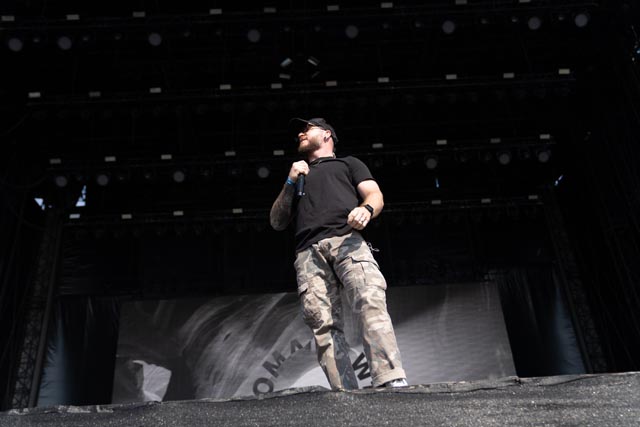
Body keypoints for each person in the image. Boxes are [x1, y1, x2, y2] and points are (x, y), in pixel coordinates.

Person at [269, 117, 407, 390]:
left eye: (307, 129)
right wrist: (289, 181)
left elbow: (375, 194)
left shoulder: (348, 163)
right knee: (323, 323)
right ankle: (344, 392)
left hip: (347, 241)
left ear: (327, 134)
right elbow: (277, 221)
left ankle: (390, 379)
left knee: (370, 300)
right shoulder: (298, 175)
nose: (301, 134)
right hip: (308, 253)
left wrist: (366, 210)